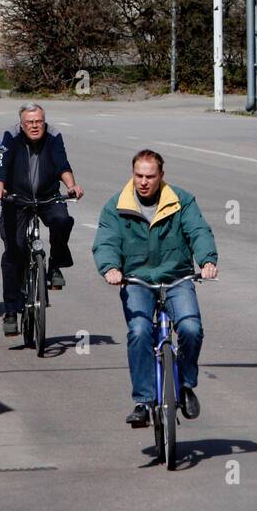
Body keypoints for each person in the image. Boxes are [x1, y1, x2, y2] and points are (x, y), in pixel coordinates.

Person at [92, 149, 218, 427]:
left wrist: (207, 261)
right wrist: (110, 268)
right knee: (139, 332)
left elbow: (198, 231)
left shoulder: (181, 201)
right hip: (137, 281)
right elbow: (106, 241)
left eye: (150, 176)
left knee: (190, 328)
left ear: (161, 176)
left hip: (177, 278)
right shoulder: (117, 206)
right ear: (132, 175)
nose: (144, 182)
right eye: (139, 175)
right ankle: (143, 401)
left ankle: (185, 385)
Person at [0, 104, 84, 338]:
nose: (34, 126)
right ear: (22, 124)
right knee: (14, 252)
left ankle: (54, 266)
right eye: (30, 122)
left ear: (44, 121)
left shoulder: (53, 136)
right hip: (16, 200)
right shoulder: (11, 137)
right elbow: (1, 165)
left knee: (62, 220)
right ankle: (11, 311)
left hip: (48, 196)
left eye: (38, 121)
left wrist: (71, 186)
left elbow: (62, 164)